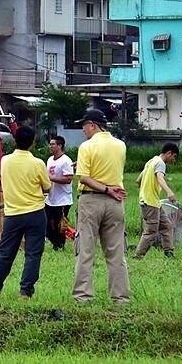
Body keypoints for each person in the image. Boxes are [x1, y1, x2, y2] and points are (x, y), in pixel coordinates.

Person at [72, 108, 130, 305]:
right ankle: (121, 298)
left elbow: (85, 178)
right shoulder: (120, 145)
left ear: (92, 125)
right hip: (116, 202)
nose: (83, 130)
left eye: (84, 126)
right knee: (116, 253)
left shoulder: (86, 147)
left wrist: (105, 189)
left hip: (91, 201)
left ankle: (83, 297)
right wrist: (110, 190)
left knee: (85, 251)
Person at [0, 126, 51, 300]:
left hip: (12, 215)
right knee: (33, 255)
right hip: (36, 213)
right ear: (32, 143)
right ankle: (25, 292)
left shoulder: (5, 161)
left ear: (15, 140)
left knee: (6, 254)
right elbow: (47, 187)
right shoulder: (38, 163)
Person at [133, 142, 180, 259]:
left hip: (152, 202)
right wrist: (169, 192)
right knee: (151, 231)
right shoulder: (160, 163)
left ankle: (169, 252)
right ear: (169, 153)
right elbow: (159, 177)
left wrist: (145, 188)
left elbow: (138, 180)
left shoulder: (151, 161)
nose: (173, 159)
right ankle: (138, 255)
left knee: (167, 226)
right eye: (174, 156)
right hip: (150, 203)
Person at [46, 136, 75, 251]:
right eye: (50, 144)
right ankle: (54, 241)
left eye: (53, 144)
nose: (50, 146)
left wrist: (51, 178)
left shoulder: (65, 161)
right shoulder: (49, 160)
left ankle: (59, 245)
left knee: (60, 225)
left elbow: (68, 179)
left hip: (62, 199)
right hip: (50, 198)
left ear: (59, 146)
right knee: (46, 223)